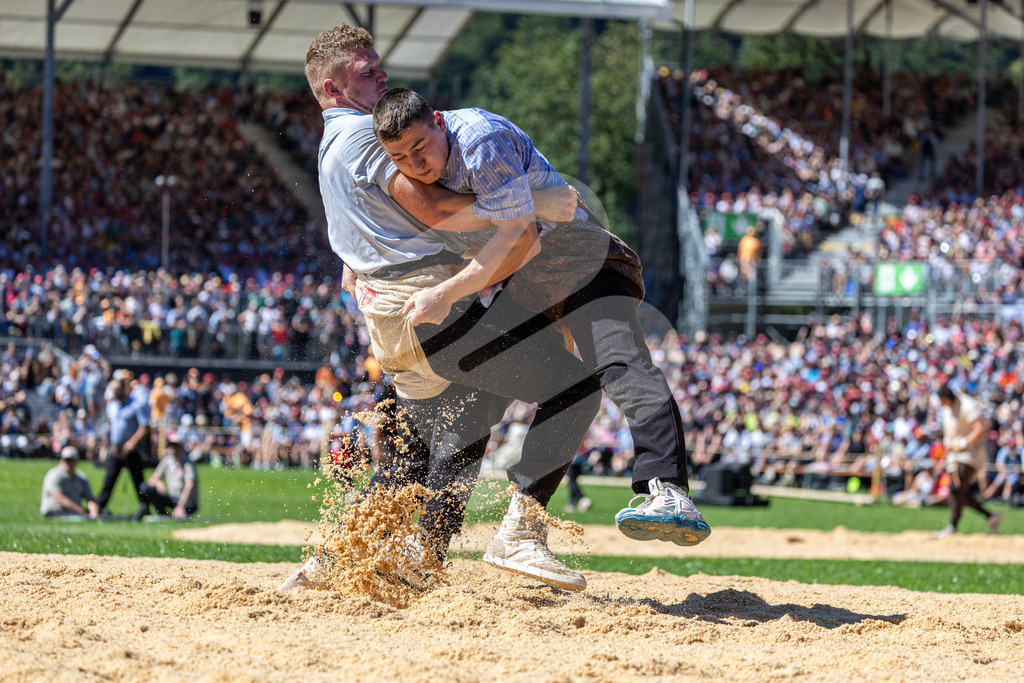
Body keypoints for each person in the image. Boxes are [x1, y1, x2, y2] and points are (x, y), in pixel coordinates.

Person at [282, 24, 602, 593]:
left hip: (393, 313)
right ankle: (520, 536)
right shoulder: (364, 137)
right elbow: (433, 210)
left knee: (452, 424)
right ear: (331, 88)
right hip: (425, 305)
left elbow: (354, 245)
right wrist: (529, 200)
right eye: (366, 72)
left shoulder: (334, 142)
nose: (382, 76)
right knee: (574, 386)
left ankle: (357, 551)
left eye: (379, 66)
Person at [372, 87, 710, 547]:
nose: (415, 163)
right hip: (530, 279)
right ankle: (429, 541)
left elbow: (520, 237)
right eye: (401, 156)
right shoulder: (415, 176)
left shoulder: (479, 141)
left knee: (618, 360)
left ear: (438, 121)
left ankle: (667, 491)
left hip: (583, 257)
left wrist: (446, 292)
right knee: (476, 398)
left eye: (420, 147)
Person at [934, 383, 1001, 537]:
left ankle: (952, 526)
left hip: (971, 452)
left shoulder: (967, 405)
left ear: (945, 398)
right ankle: (990, 516)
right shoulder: (946, 409)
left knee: (955, 489)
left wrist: (963, 443)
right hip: (955, 455)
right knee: (959, 493)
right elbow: (949, 436)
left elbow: (980, 429)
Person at [96, 378, 151, 517]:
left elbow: (145, 427)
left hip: (131, 450)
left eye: (116, 389)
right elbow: (111, 425)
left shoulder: (136, 405)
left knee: (138, 481)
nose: (113, 392)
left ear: (123, 389)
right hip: (116, 449)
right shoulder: (112, 406)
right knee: (109, 479)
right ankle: (97, 509)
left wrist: (132, 442)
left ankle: (146, 509)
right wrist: (108, 444)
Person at [135, 436, 199, 520]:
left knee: (185, 511)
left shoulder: (188, 463)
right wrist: (158, 483)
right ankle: (163, 514)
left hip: (187, 502)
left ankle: (179, 512)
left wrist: (181, 506)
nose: (173, 448)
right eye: (171, 445)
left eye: (175, 445)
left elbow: (189, 486)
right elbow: (152, 480)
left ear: (181, 447)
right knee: (145, 488)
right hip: (172, 498)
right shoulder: (167, 460)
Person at [40, 446, 100, 518]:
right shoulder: (54, 475)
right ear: (61, 460)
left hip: (74, 513)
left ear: (77, 461)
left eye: (71, 460)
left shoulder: (81, 478)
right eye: (66, 460)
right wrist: (81, 511)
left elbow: (90, 498)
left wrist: (94, 512)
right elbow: (60, 498)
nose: (68, 463)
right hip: (55, 512)